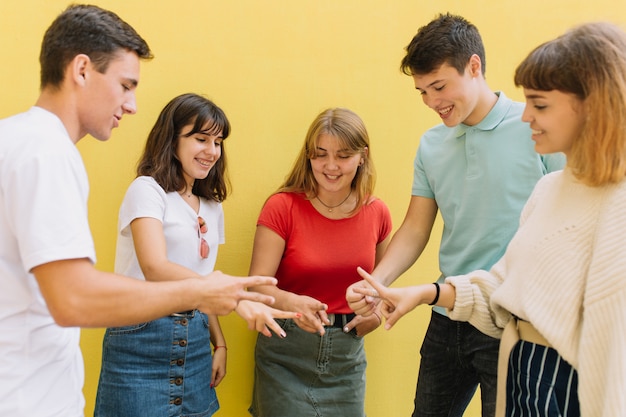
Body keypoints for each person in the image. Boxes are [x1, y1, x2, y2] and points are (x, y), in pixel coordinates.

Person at [0, 6, 287, 417]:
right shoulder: (48, 154)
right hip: (27, 397)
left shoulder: (14, 138)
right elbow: (74, 297)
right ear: (81, 69)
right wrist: (211, 292)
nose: (132, 105)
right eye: (125, 85)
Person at [351, 21, 626, 417]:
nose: (431, 102)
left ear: (474, 67)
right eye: (422, 92)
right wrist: (381, 284)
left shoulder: (541, 136)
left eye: (440, 87)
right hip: (451, 311)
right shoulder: (433, 145)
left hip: (518, 330)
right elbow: (415, 228)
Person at [95, 93, 238, 416]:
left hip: (197, 340)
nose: (211, 151)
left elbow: (201, 285)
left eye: (218, 142)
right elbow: (155, 267)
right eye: (201, 138)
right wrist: (236, 294)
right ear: (171, 139)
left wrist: (220, 343)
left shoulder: (213, 208)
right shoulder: (147, 190)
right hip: (141, 338)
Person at [247, 107, 392, 417]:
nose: (330, 166)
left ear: (362, 156)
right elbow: (256, 288)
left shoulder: (377, 213)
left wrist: (377, 316)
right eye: (320, 154)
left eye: (342, 156)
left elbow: (384, 287)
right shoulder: (282, 207)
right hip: (285, 351)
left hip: (347, 358)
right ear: (308, 156)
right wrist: (295, 303)